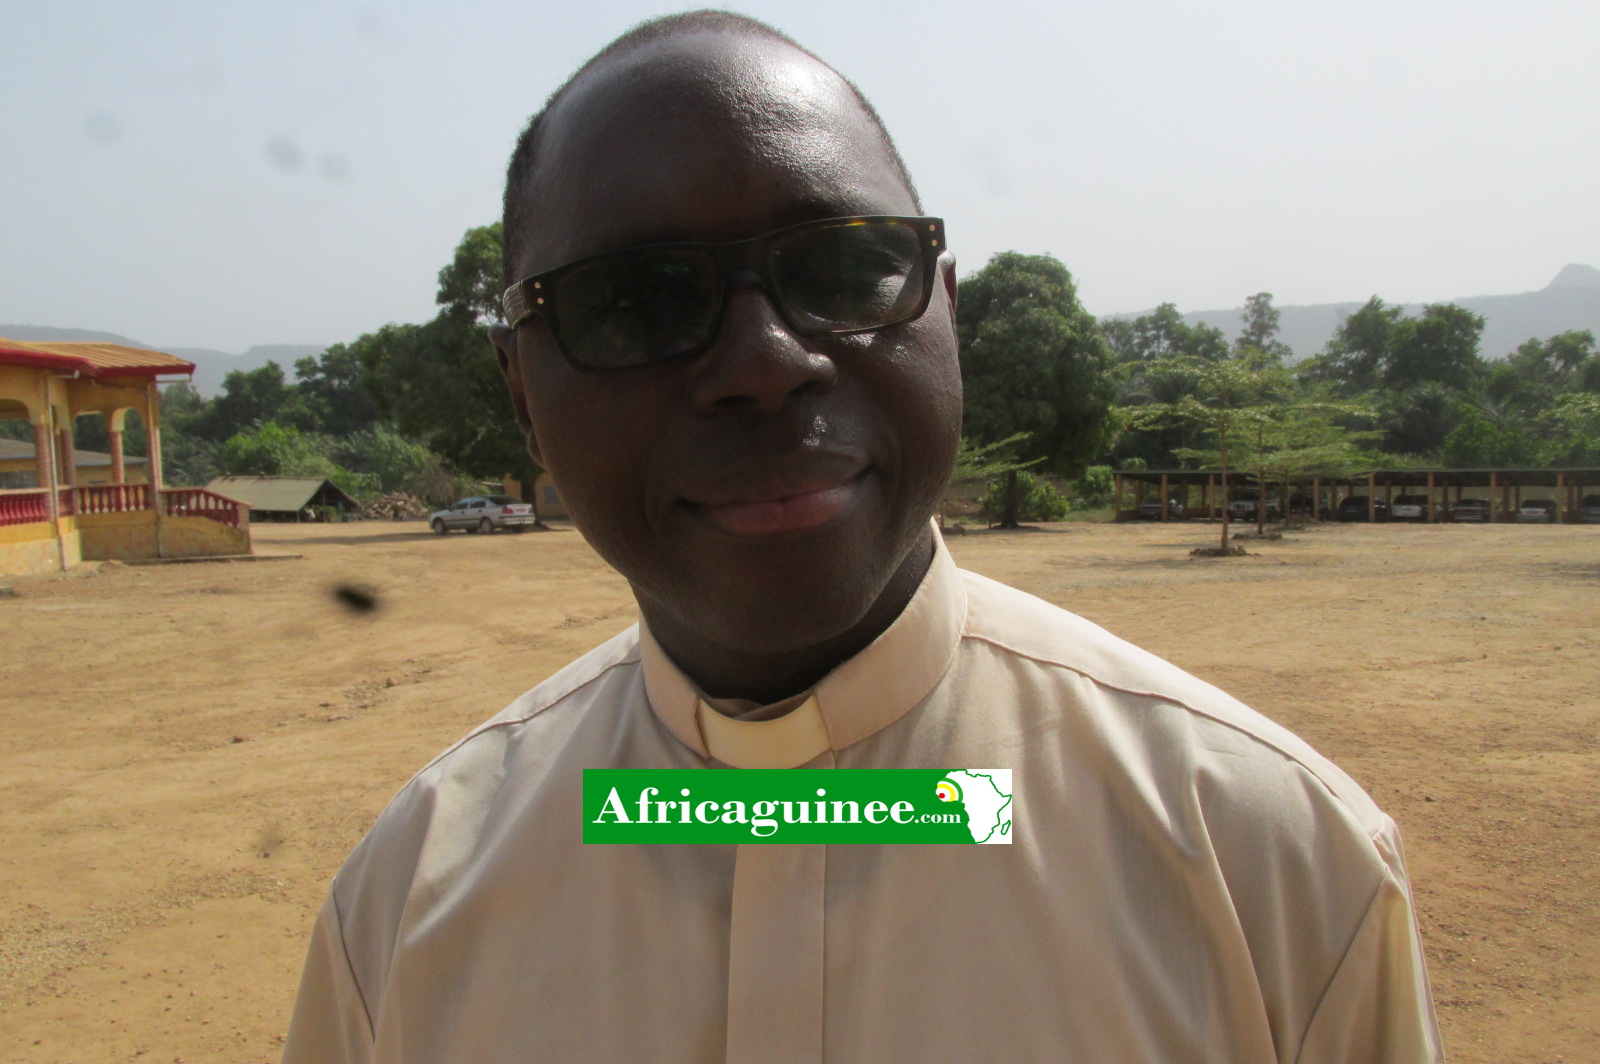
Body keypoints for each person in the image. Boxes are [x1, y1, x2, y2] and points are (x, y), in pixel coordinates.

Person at [283, 11, 1443, 1063]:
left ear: (947, 308)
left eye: (843, 264)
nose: (763, 362)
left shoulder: (1275, 868)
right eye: (634, 299)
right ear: (523, 396)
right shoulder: (407, 907)